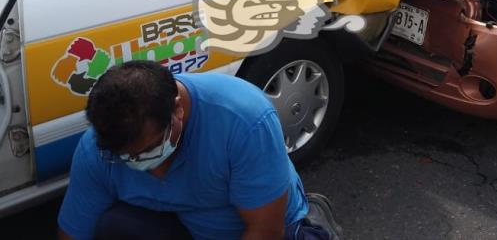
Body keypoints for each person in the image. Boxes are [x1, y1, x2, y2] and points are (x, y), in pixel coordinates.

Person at [57, 61, 341, 240]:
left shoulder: (243, 121)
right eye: (126, 157)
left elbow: (266, 232)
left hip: (268, 229)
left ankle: (312, 218)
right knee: (114, 226)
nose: (146, 166)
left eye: (148, 150)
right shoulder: (97, 149)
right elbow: (74, 231)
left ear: (177, 109)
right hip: (186, 223)